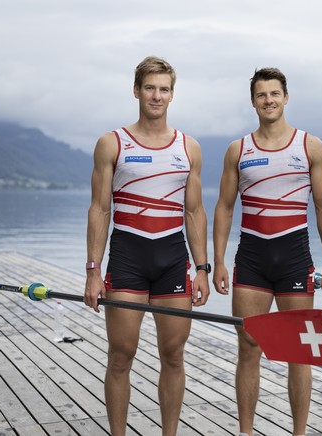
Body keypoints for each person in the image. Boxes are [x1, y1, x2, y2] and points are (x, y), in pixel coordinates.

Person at [84, 55, 211, 436]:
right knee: (121, 356)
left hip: (173, 260)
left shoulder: (189, 147)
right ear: (136, 91)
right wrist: (93, 271)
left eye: (164, 89)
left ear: (173, 95)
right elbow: (100, 209)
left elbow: (194, 212)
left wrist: (202, 269)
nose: (157, 96)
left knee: (173, 355)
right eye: (150, 88)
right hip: (127, 258)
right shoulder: (112, 143)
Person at [212, 67, 322, 436]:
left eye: (275, 93)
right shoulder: (239, 150)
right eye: (261, 95)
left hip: (295, 257)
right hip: (251, 259)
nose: (268, 100)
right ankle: (247, 432)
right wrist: (217, 261)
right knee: (249, 346)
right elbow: (223, 206)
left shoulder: (310, 146)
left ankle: (299, 433)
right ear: (253, 101)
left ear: (286, 97)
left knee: (299, 352)